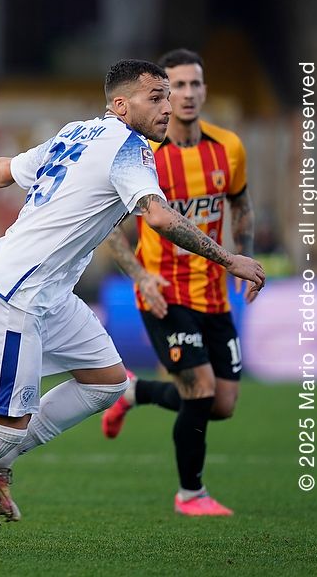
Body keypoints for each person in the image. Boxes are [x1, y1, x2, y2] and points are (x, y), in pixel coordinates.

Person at [0, 59, 265, 552]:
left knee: (107, 382)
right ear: (121, 105)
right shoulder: (129, 148)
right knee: (5, 426)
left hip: (50, 294)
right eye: (156, 97)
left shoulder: (78, 132)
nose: (167, 108)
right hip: (17, 292)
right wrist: (229, 258)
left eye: (169, 98)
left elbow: (6, 169)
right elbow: (158, 217)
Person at [101, 49, 256, 516]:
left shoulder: (228, 147)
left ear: (204, 90)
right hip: (164, 295)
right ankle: (191, 494)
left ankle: (136, 392)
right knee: (200, 389)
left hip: (213, 293)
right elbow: (110, 228)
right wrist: (140, 275)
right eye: (175, 87)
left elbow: (240, 204)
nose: (185, 95)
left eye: (194, 84)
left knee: (223, 404)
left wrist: (243, 255)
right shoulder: (141, 154)